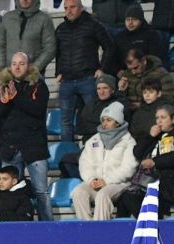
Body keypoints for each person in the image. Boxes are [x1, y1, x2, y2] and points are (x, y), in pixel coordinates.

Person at [0, 52, 51, 221]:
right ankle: (13, 226)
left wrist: (16, 97)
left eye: (21, 63)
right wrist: (3, 102)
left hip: (34, 147)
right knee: (9, 192)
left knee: (41, 191)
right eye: (14, 63)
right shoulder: (2, 86)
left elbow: (37, 110)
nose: (17, 67)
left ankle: (48, 228)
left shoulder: (39, 86)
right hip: (10, 147)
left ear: (28, 66)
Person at [55, 0, 114, 142]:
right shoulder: (61, 29)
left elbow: (109, 47)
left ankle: (96, 150)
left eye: (72, 7)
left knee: (94, 119)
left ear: (81, 8)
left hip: (88, 79)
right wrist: (58, 72)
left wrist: (102, 69)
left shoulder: (94, 25)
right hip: (66, 81)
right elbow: (58, 53)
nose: (69, 11)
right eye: (66, 8)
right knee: (65, 123)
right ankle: (67, 153)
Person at [72, 101, 138, 220]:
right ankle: (85, 228)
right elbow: (85, 163)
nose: (105, 123)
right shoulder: (94, 140)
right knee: (78, 192)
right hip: (96, 182)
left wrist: (107, 181)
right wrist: (91, 179)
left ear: (117, 122)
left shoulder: (128, 141)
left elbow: (129, 167)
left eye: (109, 120)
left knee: (103, 195)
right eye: (103, 120)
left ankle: (100, 228)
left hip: (119, 184)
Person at [134, 103, 174, 218]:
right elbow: (137, 152)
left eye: (163, 117)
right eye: (157, 118)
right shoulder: (156, 135)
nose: (159, 121)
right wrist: (150, 136)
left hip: (168, 181)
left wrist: (154, 162)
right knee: (127, 197)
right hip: (149, 180)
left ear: (172, 119)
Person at [0, 0, 55, 74]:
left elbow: (50, 48)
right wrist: (1, 68)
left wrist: (35, 67)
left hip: (33, 75)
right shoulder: (7, 18)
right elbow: (1, 44)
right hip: (9, 72)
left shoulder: (44, 19)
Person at [111, 4, 167, 74]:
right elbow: (113, 59)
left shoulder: (152, 35)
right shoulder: (119, 36)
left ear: (141, 20)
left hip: (148, 72)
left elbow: (155, 58)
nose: (130, 23)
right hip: (125, 73)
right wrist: (119, 72)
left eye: (134, 19)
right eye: (128, 19)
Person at [77, 74, 130, 141]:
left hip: (112, 140)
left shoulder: (120, 103)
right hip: (90, 139)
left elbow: (117, 126)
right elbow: (81, 126)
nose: (101, 92)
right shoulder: (91, 103)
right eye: (98, 88)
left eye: (105, 88)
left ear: (112, 89)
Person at [130, 79, 166, 144]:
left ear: (159, 93)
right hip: (141, 143)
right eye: (144, 92)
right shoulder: (139, 111)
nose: (147, 95)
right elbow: (133, 131)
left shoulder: (166, 109)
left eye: (151, 92)